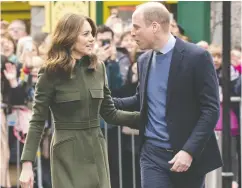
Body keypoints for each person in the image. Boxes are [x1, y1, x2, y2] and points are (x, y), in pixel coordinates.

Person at [19, 13, 140, 188]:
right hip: (67, 153)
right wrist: (27, 164)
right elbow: (37, 121)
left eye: (92, 34)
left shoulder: (98, 68)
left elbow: (110, 113)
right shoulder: (50, 73)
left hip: (97, 150)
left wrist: (145, 119)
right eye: (85, 34)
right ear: (68, 36)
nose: (92, 39)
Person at [113, 2, 222, 188]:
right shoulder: (144, 60)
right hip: (152, 155)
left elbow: (210, 110)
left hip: (187, 156)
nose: (132, 33)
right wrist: (105, 101)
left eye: (136, 26)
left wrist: (189, 151)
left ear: (154, 26)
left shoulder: (197, 57)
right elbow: (141, 99)